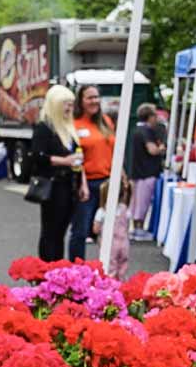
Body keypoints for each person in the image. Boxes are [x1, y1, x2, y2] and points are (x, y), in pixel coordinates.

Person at [31, 84, 82, 261]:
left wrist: (82, 182)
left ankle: (58, 266)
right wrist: (65, 161)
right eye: (66, 104)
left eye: (71, 104)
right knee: (50, 230)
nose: (70, 108)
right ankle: (46, 266)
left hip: (70, 184)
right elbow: (38, 156)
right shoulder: (44, 128)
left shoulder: (69, 129)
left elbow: (78, 156)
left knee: (61, 230)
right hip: (53, 185)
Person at [71, 85, 115, 260]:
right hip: (86, 184)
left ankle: (105, 271)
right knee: (81, 231)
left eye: (96, 97)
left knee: (107, 230)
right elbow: (74, 156)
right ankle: (76, 271)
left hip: (108, 183)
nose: (94, 101)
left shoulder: (106, 121)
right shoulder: (74, 125)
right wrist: (82, 183)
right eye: (89, 97)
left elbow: (115, 152)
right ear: (80, 101)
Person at [130, 103, 165, 241]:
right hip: (147, 172)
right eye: (155, 115)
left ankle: (136, 228)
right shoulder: (147, 131)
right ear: (149, 116)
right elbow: (152, 150)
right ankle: (139, 229)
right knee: (143, 202)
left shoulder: (136, 130)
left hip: (138, 171)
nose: (156, 118)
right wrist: (161, 147)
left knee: (136, 201)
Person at [93, 176, 132, 279]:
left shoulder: (102, 211)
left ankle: (109, 284)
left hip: (108, 243)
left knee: (109, 266)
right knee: (123, 264)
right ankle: (121, 282)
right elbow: (127, 225)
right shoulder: (125, 209)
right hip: (124, 242)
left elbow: (95, 229)